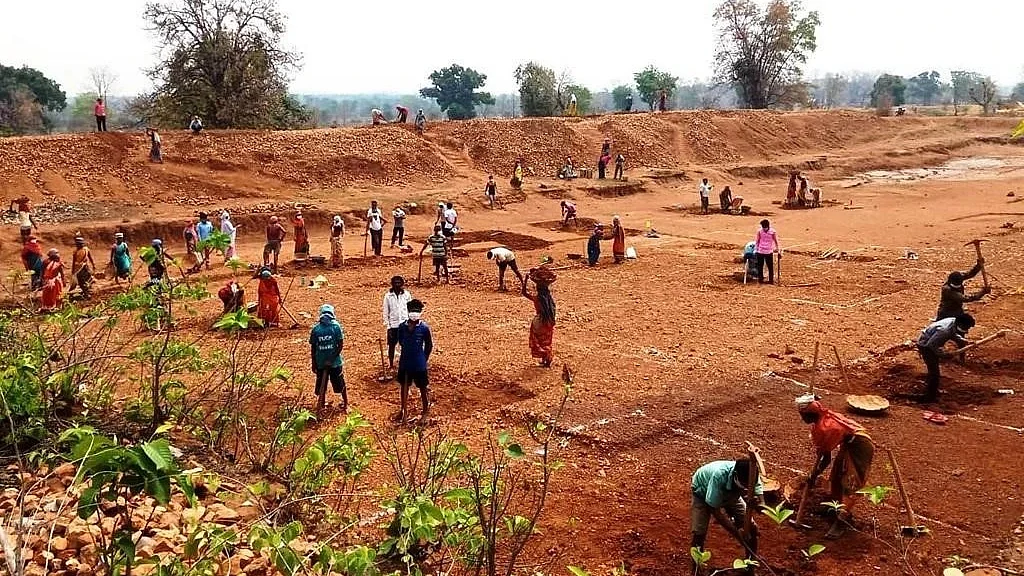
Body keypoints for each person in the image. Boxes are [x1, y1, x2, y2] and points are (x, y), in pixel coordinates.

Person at [795, 395, 875, 538]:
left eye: (802, 415)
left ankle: (841, 521)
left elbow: (826, 459)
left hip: (860, 446)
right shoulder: (821, 420)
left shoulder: (826, 427)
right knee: (837, 475)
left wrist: (814, 475)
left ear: (810, 414)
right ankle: (834, 507)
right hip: (849, 444)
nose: (802, 419)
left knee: (851, 483)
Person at [689, 459, 761, 564]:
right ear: (736, 476)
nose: (746, 489)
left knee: (751, 528)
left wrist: (759, 505)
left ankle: (750, 564)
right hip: (702, 491)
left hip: (732, 493)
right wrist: (737, 533)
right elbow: (714, 509)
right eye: (744, 485)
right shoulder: (719, 476)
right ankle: (696, 566)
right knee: (699, 532)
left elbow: (759, 496)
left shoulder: (752, 474)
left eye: (748, 486)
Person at [917, 313, 975, 401]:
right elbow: (931, 346)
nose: (966, 331)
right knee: (935, 373)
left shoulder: (953, 321)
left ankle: (930, 388)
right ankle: (929, 397)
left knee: (933, 369)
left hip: (931, 343)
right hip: (925, 346)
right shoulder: (944, 331)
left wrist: (964, 341)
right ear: (960, 324)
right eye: (966, 328)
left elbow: (953, 334)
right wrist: (944, 355)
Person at [396, 298, 433, 423]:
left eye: (417, 311)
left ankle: (425, 410)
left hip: (419, 364)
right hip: (405, 362)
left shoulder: (424, 328)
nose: (414, 313)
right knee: (404, 386)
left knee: (422, 387)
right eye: (412, 310)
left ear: (420, 313)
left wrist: (423, 359)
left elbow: (429, 345)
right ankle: (403, 409)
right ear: (408, 311)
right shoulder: (402, 327)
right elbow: (401, 342)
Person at [310, 303, 347, 412]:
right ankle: (321, 404)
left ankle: (346, 403)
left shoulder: (336, 327)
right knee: (322, 384)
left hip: (335, 363)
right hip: (321, 362)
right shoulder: (316, 330)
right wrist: (314, 362)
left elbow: (340, 345)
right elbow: (313, 347)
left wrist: (331, 360)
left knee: (340, 383)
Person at [523, 267, 557, 367]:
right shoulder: (548, 300)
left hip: (539, 322)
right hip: (549, 322)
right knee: (547, 341)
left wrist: (525, 280)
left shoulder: (537, 298)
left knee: (539, 341)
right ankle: (547, 358)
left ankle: (545, 358)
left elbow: (524, 293)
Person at [383, 275, 413, 372]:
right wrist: (388, 327)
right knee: (391, 346)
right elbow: (385, 312)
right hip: (393, 326)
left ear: (402, 284)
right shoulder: (388, 296)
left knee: (405, 345)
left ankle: (405, 364)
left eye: (399, 283)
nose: (397, 285)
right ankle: (391, 364)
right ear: (392, 284)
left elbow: (410, 309)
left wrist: (410, 323)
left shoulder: (406, 295)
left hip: (404, 324)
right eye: (395, 283)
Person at [754, 219, 779, 284]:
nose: (764, 229)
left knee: (770, 267)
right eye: (763, 227)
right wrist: (756, 249)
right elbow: (757, 241)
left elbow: (776, 241)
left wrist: (777, 248)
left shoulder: (773, 232)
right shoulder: (759, 231)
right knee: (760, 266)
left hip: (769, 251)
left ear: (768, 226)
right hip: (760, 251)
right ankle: (760, 280)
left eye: (765, 227)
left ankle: (771, 280)